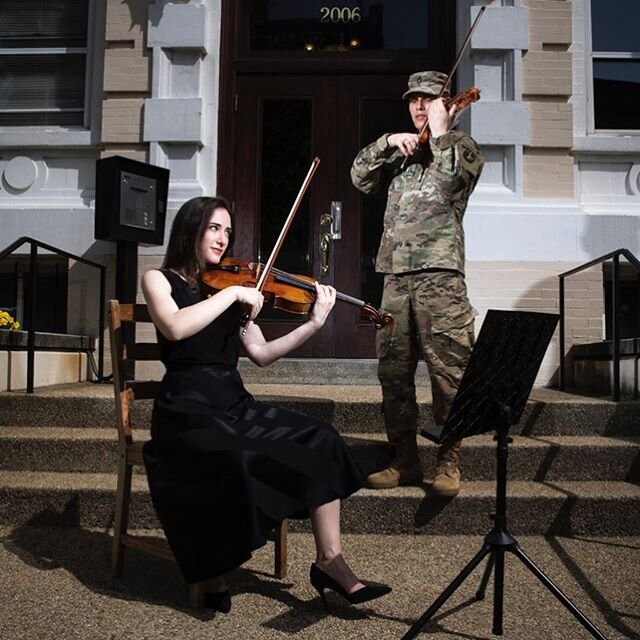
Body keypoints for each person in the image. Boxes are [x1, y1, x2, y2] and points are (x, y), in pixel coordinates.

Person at [140, 195, 391, 613]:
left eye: (227, 231)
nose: (224, 239)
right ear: (190, 230)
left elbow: (261, 354)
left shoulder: (231, 286)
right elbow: (175, 326)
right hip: (186, 409)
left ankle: (330, 561)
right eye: (214, 228)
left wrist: (313, 323)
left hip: (233, 401)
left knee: (321, 437)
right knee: (234, 458)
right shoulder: (159, 279)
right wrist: (235, 293)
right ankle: (213, 568)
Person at [350, 71, 484, 496]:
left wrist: (443, 134)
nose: (420, 106)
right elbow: (359, 177)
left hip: (440, 278)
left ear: (447, 103)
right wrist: (388, 141)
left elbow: (450, 185)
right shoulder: (405, 153)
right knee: (393, 372)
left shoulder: (461, 148)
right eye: (414, 99)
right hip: (396, 278)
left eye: (430, 98)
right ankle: (404, 460)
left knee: (449, 373)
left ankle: (449, 460)